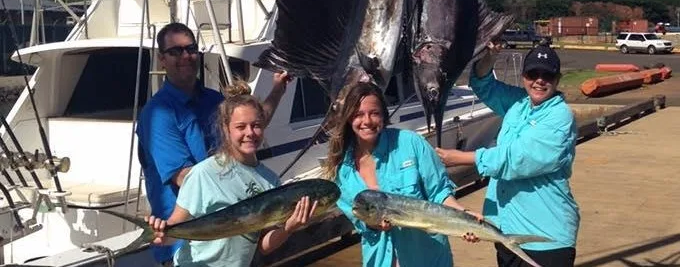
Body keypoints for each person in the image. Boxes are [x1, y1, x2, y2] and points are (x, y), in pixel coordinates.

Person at [137, 22, 291, 265]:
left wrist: (277, 91)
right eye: (175, 51)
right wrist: (258, 195)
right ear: (161, 60)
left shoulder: (213, 99)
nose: (185, 56)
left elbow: (246, 128)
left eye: (191, 49)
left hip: (233, 243)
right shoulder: (158, 114)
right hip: (184, 244)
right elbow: (189, 178)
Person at [435, 42, 580, 267]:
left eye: (547, 75)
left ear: (557, 79)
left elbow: (517, 159)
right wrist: (491, 55)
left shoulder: (560, 117)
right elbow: (483, 84)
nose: (539, 80)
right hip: (506, 231)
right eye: (533, 73)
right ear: (523, 76)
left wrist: (462, 158)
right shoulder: (518, 103)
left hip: (545, 238)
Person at [146, 81, 318, 267]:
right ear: (225, 129)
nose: (250, 133)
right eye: (241, 127)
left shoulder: (271, 181)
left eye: (256, 125)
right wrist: (160, 233)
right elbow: (174, 227)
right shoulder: (203, 174)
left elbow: (262, 245)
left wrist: (288, 228)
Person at [322, 82, 482, 267]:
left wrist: (465, 215)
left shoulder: (410, 143)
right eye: (358, 114)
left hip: (428, 260)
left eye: (374, 113)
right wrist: (373, 225)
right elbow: (360, 223)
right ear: (349, 118)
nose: (367, 121)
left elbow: (439, 192)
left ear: (384, 115)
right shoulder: (342, 172)